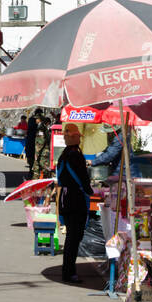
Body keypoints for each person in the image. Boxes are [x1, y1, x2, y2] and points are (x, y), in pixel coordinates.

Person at [55, 125, 95, 283]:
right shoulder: (75, 155)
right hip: (75, 199)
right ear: (73, 137)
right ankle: (69, 272)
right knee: (74, 237)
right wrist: (90, 191)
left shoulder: (64, 155)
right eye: (77, 136)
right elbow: (83, 179)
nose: (79, 138)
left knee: (71, 237)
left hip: (65, 199)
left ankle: (69, 270)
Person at [31, 112, 51, 180]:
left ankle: (42, 184)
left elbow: (41, 141)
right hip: (42, 152)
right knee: (39, 168)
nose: (36, 120)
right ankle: (36, 183)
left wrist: (37, 153)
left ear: (40, 119)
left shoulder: (41, 128)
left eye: (37, 119)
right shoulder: (42, 126)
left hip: (42, 152)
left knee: (42, 169)